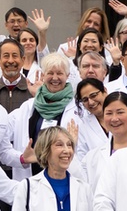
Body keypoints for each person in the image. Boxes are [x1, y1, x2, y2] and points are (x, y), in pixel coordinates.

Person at [7, 53, 81, 181]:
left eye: (60, 73)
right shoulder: (28, 107)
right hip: (32, 175)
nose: (55, 78)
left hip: (64, 175)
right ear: (43, 75)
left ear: (67, 76)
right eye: (50, 73)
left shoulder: (78, 109)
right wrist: (21, 158)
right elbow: (1, 136)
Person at [0, 38, 34, 114]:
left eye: (15, 56)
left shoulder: (33, 92)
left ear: (23, 60)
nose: (10, 61)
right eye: (6, 56)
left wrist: (37, 97)